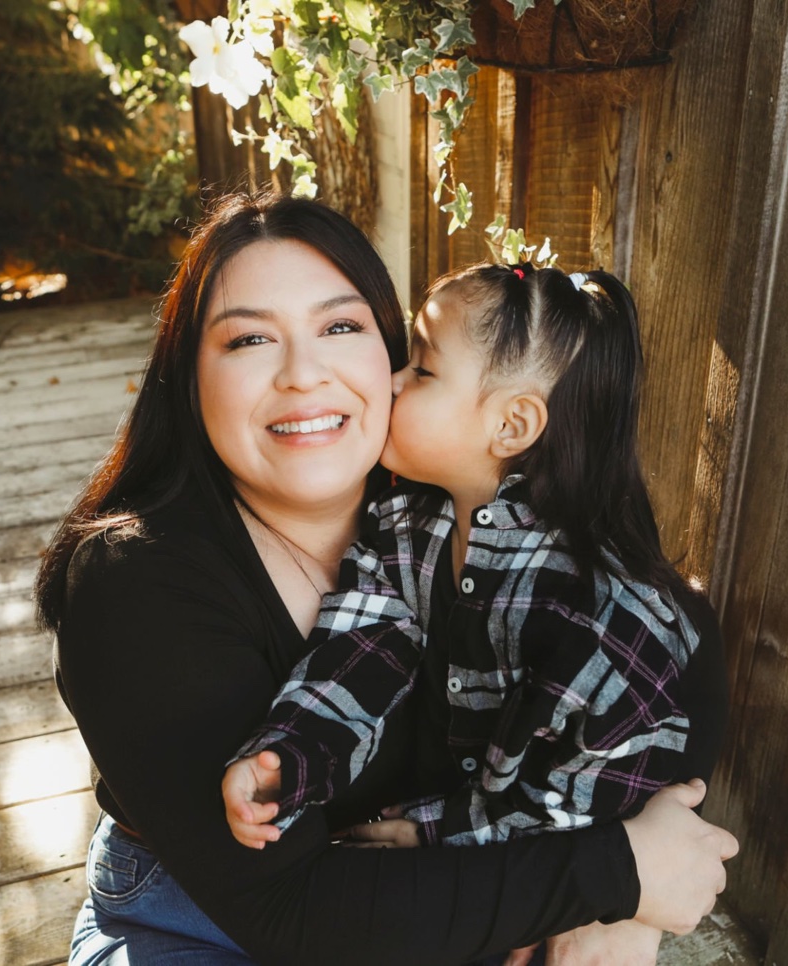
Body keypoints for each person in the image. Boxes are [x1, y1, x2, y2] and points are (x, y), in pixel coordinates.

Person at [37, 190, 738, 966]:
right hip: (208, 922)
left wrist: (618, 907)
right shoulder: (134, 582)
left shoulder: (437, 496)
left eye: (340, 327)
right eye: (248, 340)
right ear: (187, 374)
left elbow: (673, 634)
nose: (304, 375)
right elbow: (287, 908)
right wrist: (617, 875)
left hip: (443, 890)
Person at [222, 263, 729, 964]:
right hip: (476, 880)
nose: (390, 382)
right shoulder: (405, 527)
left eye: (422, 371)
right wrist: (291, 756)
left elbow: (580, 802)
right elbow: (358, 651)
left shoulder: (590, 612)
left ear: (512, 424)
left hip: (565, 874)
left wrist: (438, 834)